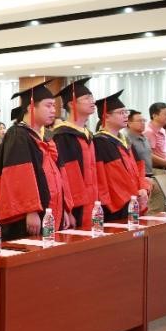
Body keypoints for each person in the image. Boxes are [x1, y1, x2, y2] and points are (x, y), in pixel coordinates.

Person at [0, 82, 71, 240]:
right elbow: (18, 176)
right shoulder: (18, 135)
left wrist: (64, 207)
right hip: (30, 216)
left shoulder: (46, 136)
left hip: (51, 210)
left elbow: (59, 175)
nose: (53, 110)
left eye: (54, 106)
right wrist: (30, 210)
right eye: (48, 105)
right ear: (31, 107)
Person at [93, 91, 149, 222]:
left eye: (126, 112)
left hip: (134, 199)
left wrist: (143, 188)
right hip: (117, 204)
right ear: (106, 116)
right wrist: (133, 194)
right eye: (121, 113)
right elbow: (108, 177)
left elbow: (139, 166)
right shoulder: (99, 142)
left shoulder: (125, 140)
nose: (126, 116)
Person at [53, 79, 99, 229]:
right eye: (87, 98)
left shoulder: (87, 134)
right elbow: (65, 175)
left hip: (93, 201)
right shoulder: (62, 135)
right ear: (72, 104)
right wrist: (68, 209)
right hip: (76, 206)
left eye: (92, 97)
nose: (92, 101)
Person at [124, 110, 154, 178]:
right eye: (139, 121)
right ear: (129, 123)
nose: (143, 123)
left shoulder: (145, 138)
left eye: (144, 120)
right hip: (137, 177)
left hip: (149, 174)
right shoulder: (126, 139)